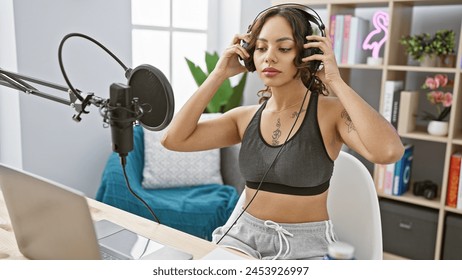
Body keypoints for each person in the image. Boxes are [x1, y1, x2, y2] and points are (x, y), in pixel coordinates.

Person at [161, 5, 404, 260]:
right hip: (241, 239)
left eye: (284, 48)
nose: (269, 57)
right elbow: (173, 139)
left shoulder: (330, 114)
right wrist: (219, 73)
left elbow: (388, 151)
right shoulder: (243, 118)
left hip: (305, 247)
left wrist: (336, 82)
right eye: (261, 48)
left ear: (307, 54)